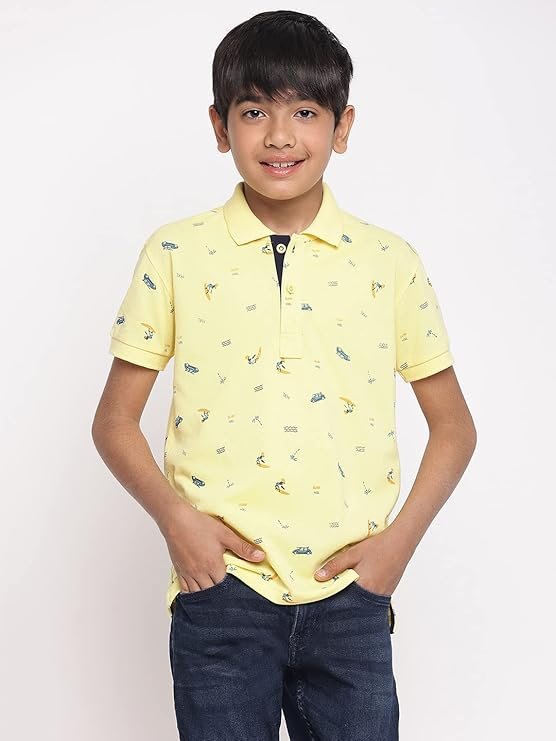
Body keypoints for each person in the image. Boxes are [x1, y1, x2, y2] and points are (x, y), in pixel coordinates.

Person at [92, 9, 477, 740]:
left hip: (350, 596)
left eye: (304, 112)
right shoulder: (176, 254)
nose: (278, 135)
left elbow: (455, 428)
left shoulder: (388, 262)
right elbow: (113, 422)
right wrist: (179, 523)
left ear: (342, 125)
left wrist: (395, 548)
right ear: (219, 126)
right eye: (253, 111)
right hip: (222, 591)